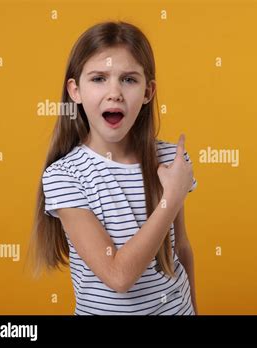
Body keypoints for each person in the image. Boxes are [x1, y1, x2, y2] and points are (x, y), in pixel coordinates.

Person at [28, 21, 198, 315]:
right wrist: (171, 197)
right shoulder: (63, 177)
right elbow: (118, 277)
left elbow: (181, 248)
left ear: (148, 92)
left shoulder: (171, 159)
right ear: (75, 90)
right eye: (98, 79)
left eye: (129, 79)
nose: (114, 92)